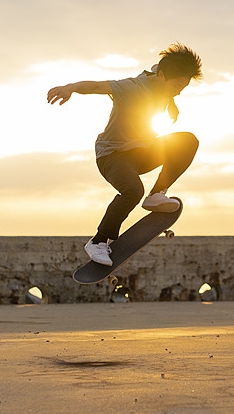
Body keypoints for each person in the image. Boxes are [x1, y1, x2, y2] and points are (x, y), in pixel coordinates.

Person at [47, 43, 202, 266]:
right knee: (132, 191)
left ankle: (157, 194)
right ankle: (98, 242)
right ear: (162, 76)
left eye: (183, 87)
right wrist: (70, 87)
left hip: (142, 152)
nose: (178, 91)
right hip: (112, 156)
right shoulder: (132, 88)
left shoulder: (160, 75)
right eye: (177, 86)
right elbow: (98, 86)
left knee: (187, 141)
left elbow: (158, 69)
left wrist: (172, 102)